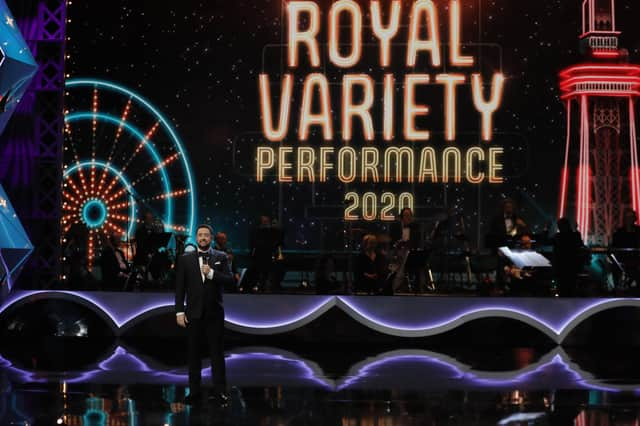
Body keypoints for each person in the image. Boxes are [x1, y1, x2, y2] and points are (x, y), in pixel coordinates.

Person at [175, 224, 234, 406]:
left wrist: (212, 274)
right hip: (193, 313)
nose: (202, 238)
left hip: (214, 314)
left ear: (211, 238)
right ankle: (194, 392)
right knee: (193, 354)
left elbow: (230, 280)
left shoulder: (221, 257)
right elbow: (180, 288)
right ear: (196, 237)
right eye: (200, 235)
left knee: (217, 354)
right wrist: (178, 311)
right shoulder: (185, 259)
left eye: (206, 235)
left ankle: (220, 391)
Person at [552, 218, 586, 297]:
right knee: (571, 290)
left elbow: (547, 242)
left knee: (562, 290)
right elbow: (580, 245)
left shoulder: (558, 237)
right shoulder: (575, 235)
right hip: (572, 267)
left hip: (561, 268)